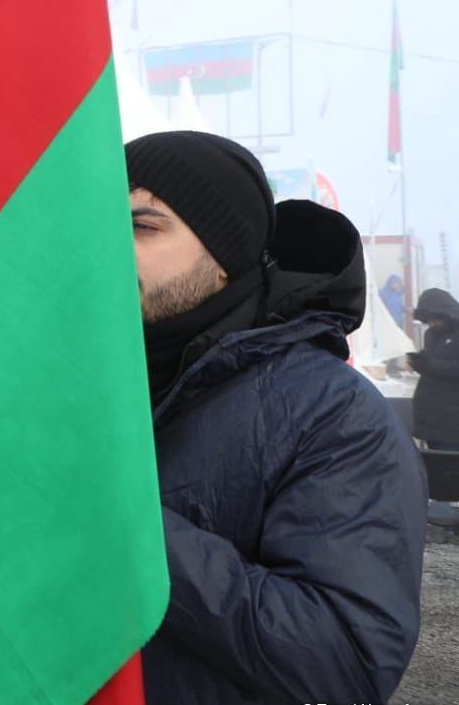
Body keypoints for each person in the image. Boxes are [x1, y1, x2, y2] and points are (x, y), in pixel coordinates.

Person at [123, 130, 425, 703]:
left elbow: (344, 661)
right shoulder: (85, 394)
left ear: (224, 258)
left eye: (142, 227)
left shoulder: (333, 414)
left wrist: (128, 530)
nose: (109, 249)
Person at [411, 287, 459, 448]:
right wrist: (419, 362)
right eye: (428, 320)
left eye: (434, 318)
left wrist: (429, 365)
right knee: (436, 465)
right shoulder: (431, 334)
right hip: (431, 421)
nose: (431, 324)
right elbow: (432, 361)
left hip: (452, 423)